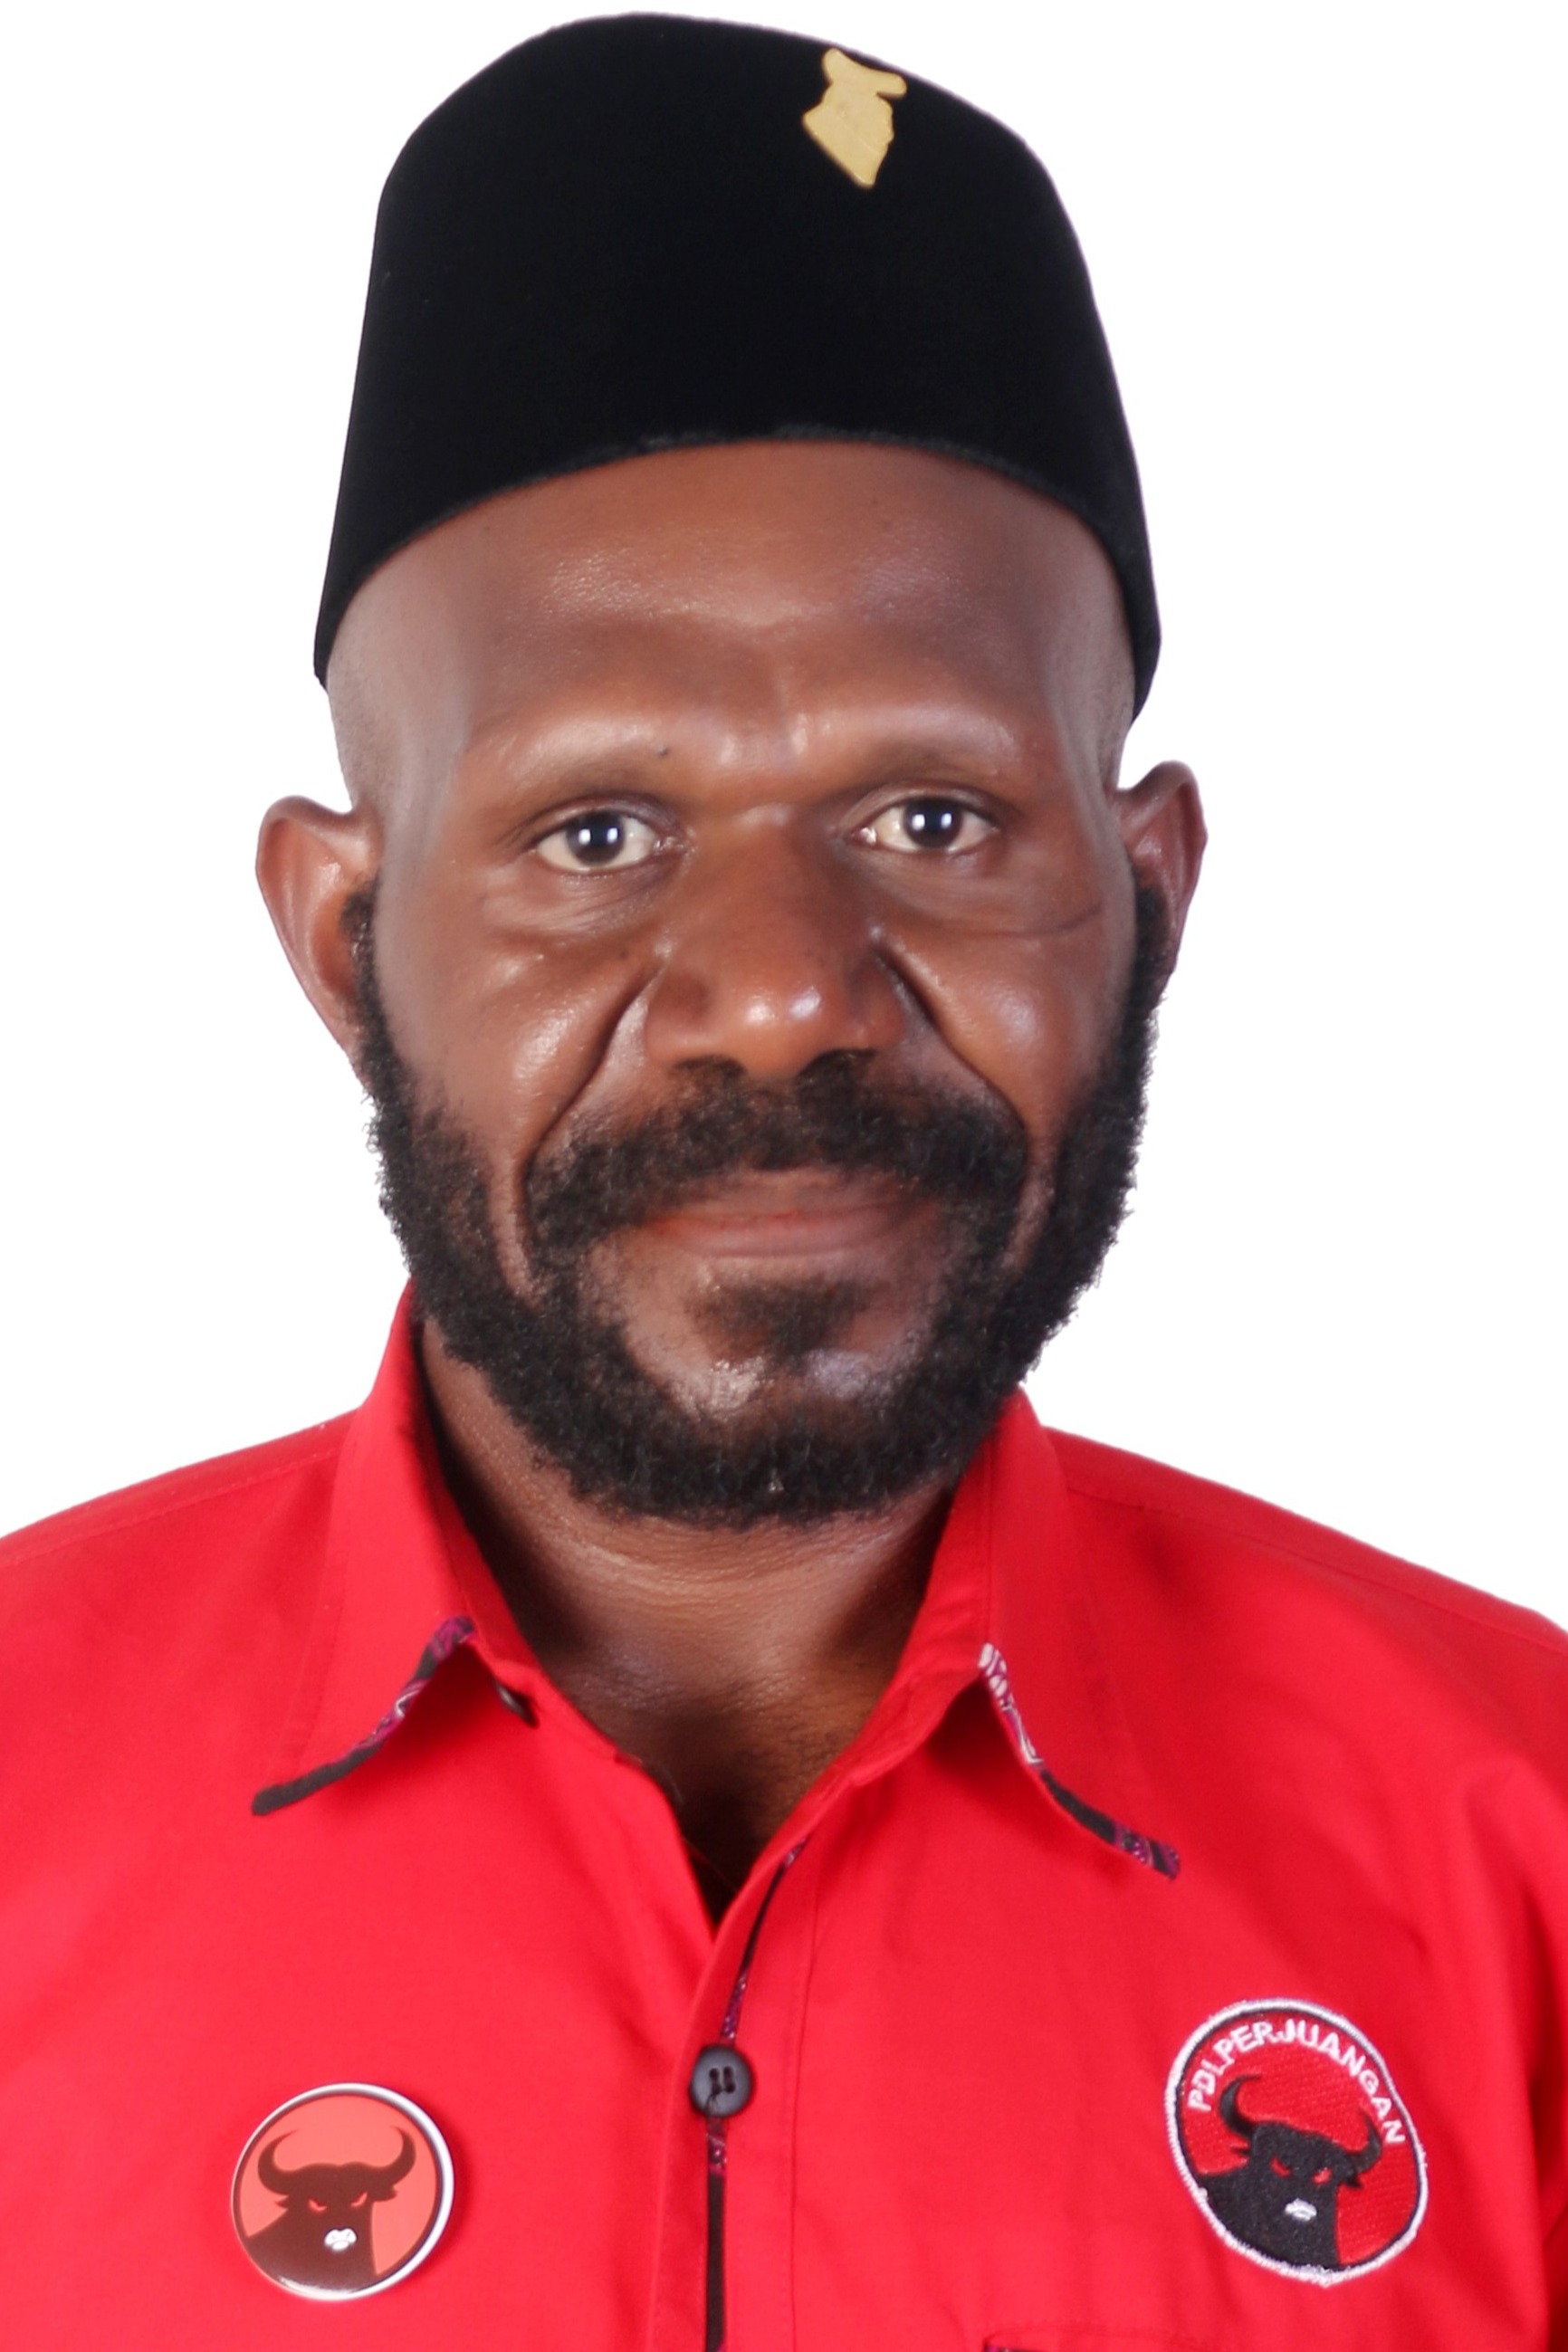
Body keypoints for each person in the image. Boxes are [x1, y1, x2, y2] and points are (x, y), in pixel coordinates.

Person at [2, 14, 1565, 2345]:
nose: (778, 995)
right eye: (593, 832)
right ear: (342, 937)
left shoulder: (1521, 1845)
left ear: (1145, 897)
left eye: (931, 817)